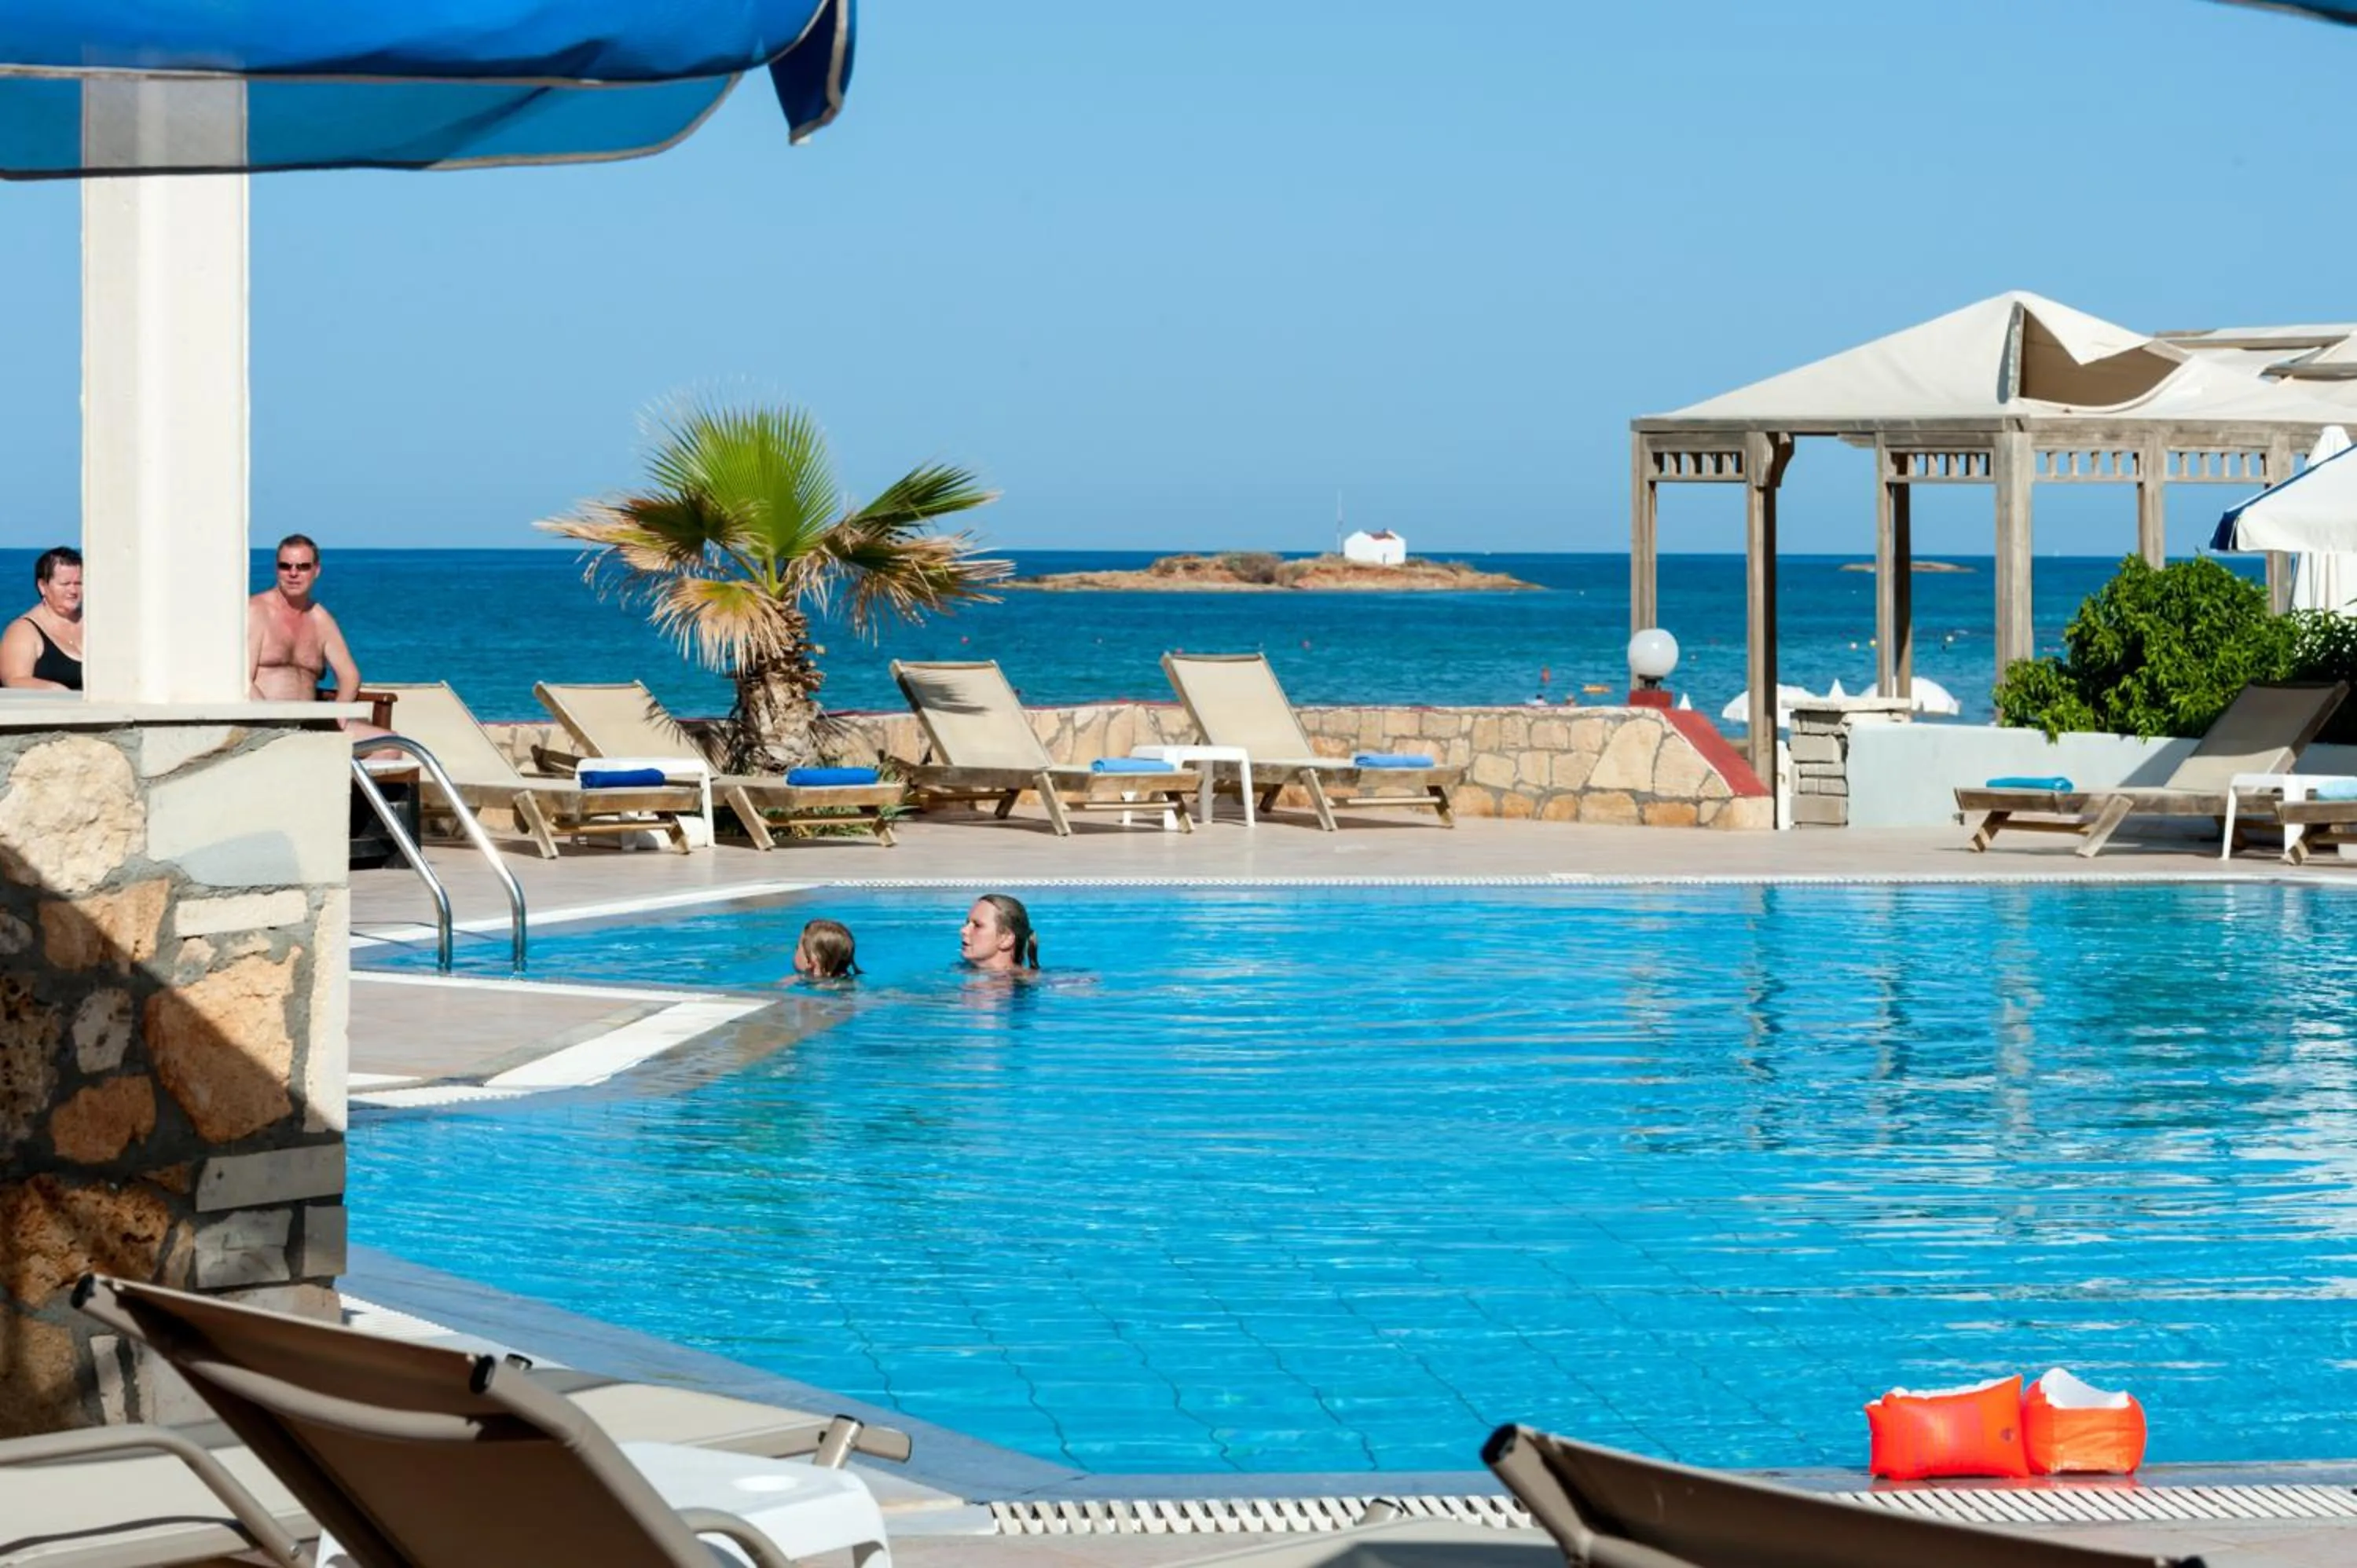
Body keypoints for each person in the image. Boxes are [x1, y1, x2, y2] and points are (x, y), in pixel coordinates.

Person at [247, 533, 390, 742]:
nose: (293, 573)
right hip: (264, 728)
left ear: (316, 571)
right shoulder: (256, 611)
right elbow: (241, 680)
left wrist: (340, 714)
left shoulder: (320, 619)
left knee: (389, 746)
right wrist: (268, 721)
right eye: (286, 566)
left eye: (303, 566)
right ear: (277, 570)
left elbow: (350, 675)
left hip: (311, 726)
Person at [0, 546, 84, 691]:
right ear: (43, 586)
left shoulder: (97, 623)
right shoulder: (23, 631)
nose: (73, 591)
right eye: (65, 584)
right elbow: (13, 680)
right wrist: (57, 690)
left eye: (79, 583)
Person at [959, 893, 1039, 973]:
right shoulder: (961, 968)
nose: (963, 930)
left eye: (978, 925)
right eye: (967, 923)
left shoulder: (1032, 982)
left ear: (1006, 939)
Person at [792, 918, 860, 981]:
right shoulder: (851, 982)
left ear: (811, 962)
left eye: (797, 947)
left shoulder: (822, 987)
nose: (795, 951)